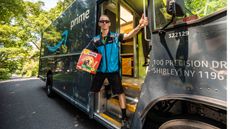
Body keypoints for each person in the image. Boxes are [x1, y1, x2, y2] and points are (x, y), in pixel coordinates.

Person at [86, 14, 148, 128]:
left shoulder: (115, 36)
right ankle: (90, 108)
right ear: (99, 24)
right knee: (92, 91)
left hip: (113, 71)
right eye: (102, 21)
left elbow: (129, 35)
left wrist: (140, 26)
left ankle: (124, 117)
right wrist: (86, 66)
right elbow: (87, 54)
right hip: (100, 71)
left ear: (109, 23)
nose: (104, 23)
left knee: (120, 93)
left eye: (106, 21)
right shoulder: (95, 40)